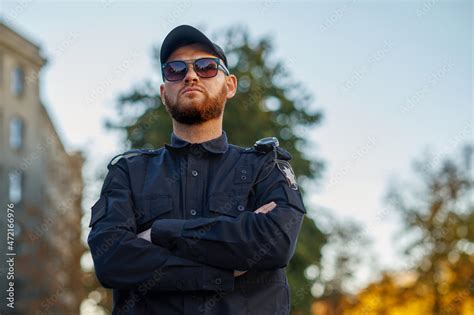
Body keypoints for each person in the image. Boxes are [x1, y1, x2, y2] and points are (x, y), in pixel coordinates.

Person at [88, 24, 306, 315]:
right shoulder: (128, 172)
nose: (190, 75)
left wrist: (159, 233)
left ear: (229, 85)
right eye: (175, 70)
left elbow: (274, 242)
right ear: (164, 92)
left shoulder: (264, 166)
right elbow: (111, 260)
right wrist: (224, 271)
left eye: (205, 67)